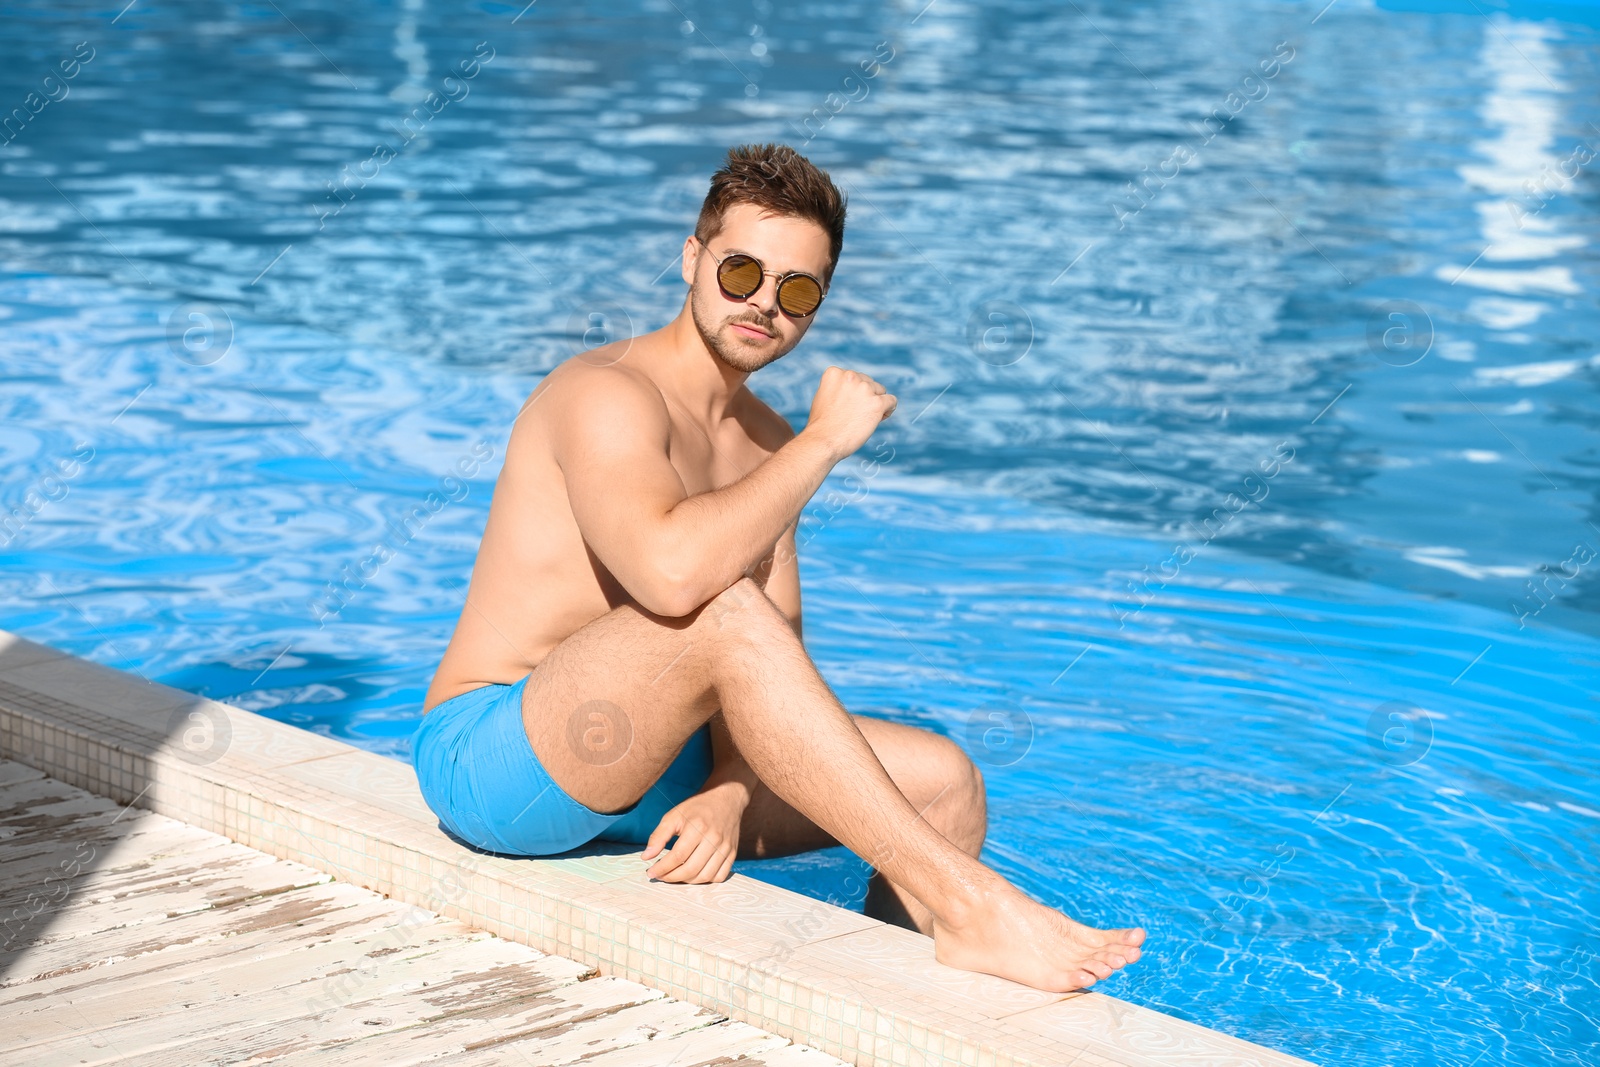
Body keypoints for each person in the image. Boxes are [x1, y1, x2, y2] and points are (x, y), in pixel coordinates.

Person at [414, 143, 1144, 991]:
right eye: (740, 272)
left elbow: (767, 672)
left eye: (797, 290)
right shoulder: (607, 394)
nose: (765, 303)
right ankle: (977, 905)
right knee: (720, 607)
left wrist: (728, 790)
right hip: (505, 761)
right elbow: (676, 579)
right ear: (692, 258)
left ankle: (899, 1002)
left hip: (651, 768)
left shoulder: (766, 444)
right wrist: (826, 442)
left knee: (946, 782)